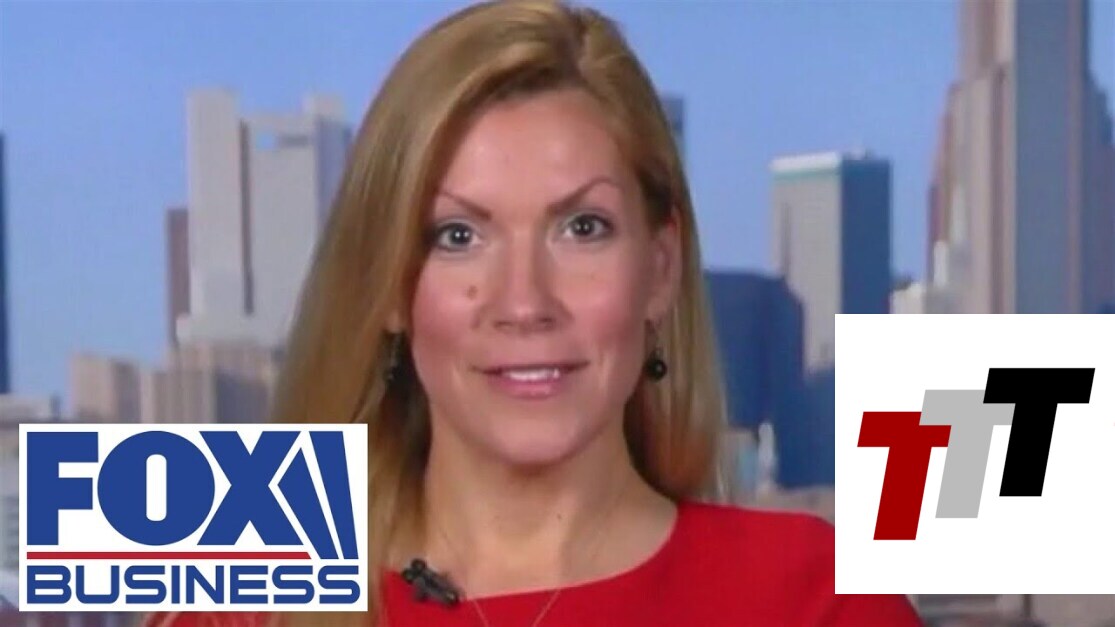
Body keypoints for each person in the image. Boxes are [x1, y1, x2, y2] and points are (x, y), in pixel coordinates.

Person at [150, 1, 923, 625]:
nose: (524, 302)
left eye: (581, 228)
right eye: (458, 236)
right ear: (387, 286)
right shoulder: (241, 609)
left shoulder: (815, 600)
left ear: (659, 269)